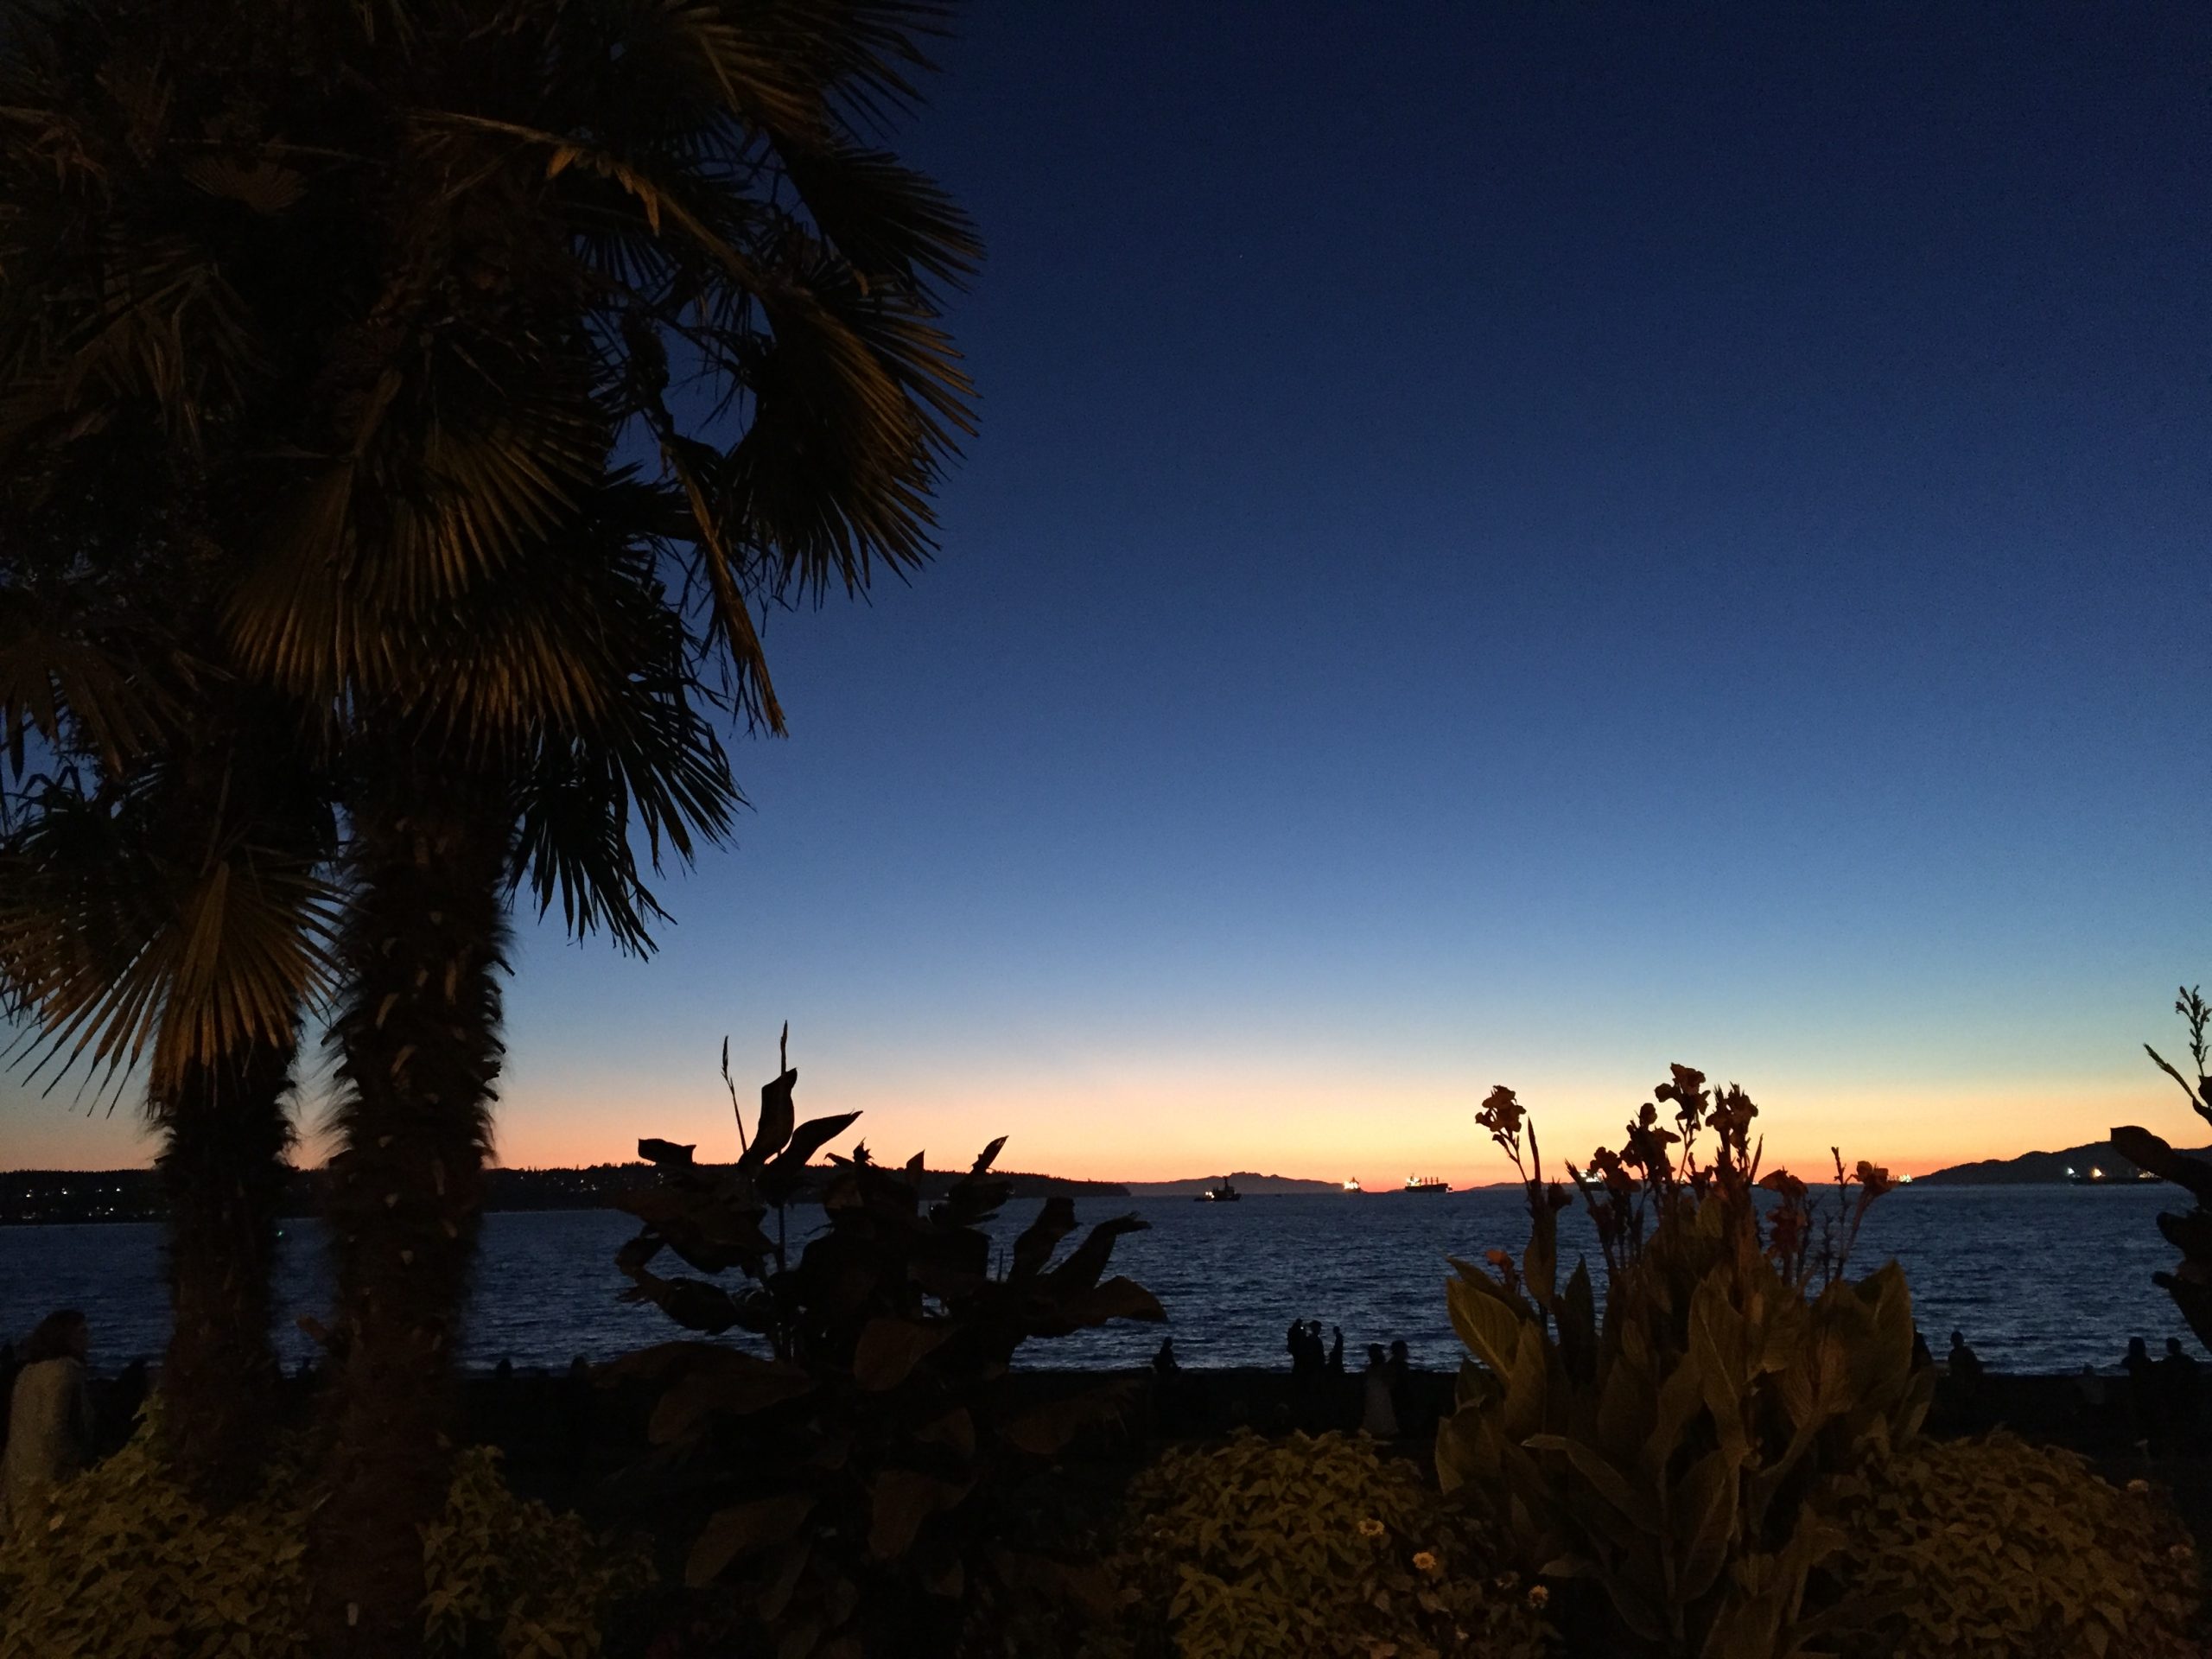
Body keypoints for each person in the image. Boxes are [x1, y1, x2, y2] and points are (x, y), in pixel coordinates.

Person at [2, 1311, 93, 1530]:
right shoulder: (63, 1371)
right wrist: (77, 1461)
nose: (89, 1338)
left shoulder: (28, 1372)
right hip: (50, 1478)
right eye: (82, 1332)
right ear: (65, 1336)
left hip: (19, 1474)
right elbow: (53, 1427)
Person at [1359, 1344, 1398, 1439]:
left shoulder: (1372, 1368)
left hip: (1375, 1391)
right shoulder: (1382, 1368)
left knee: (1378, 1411)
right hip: (1378, 1391)